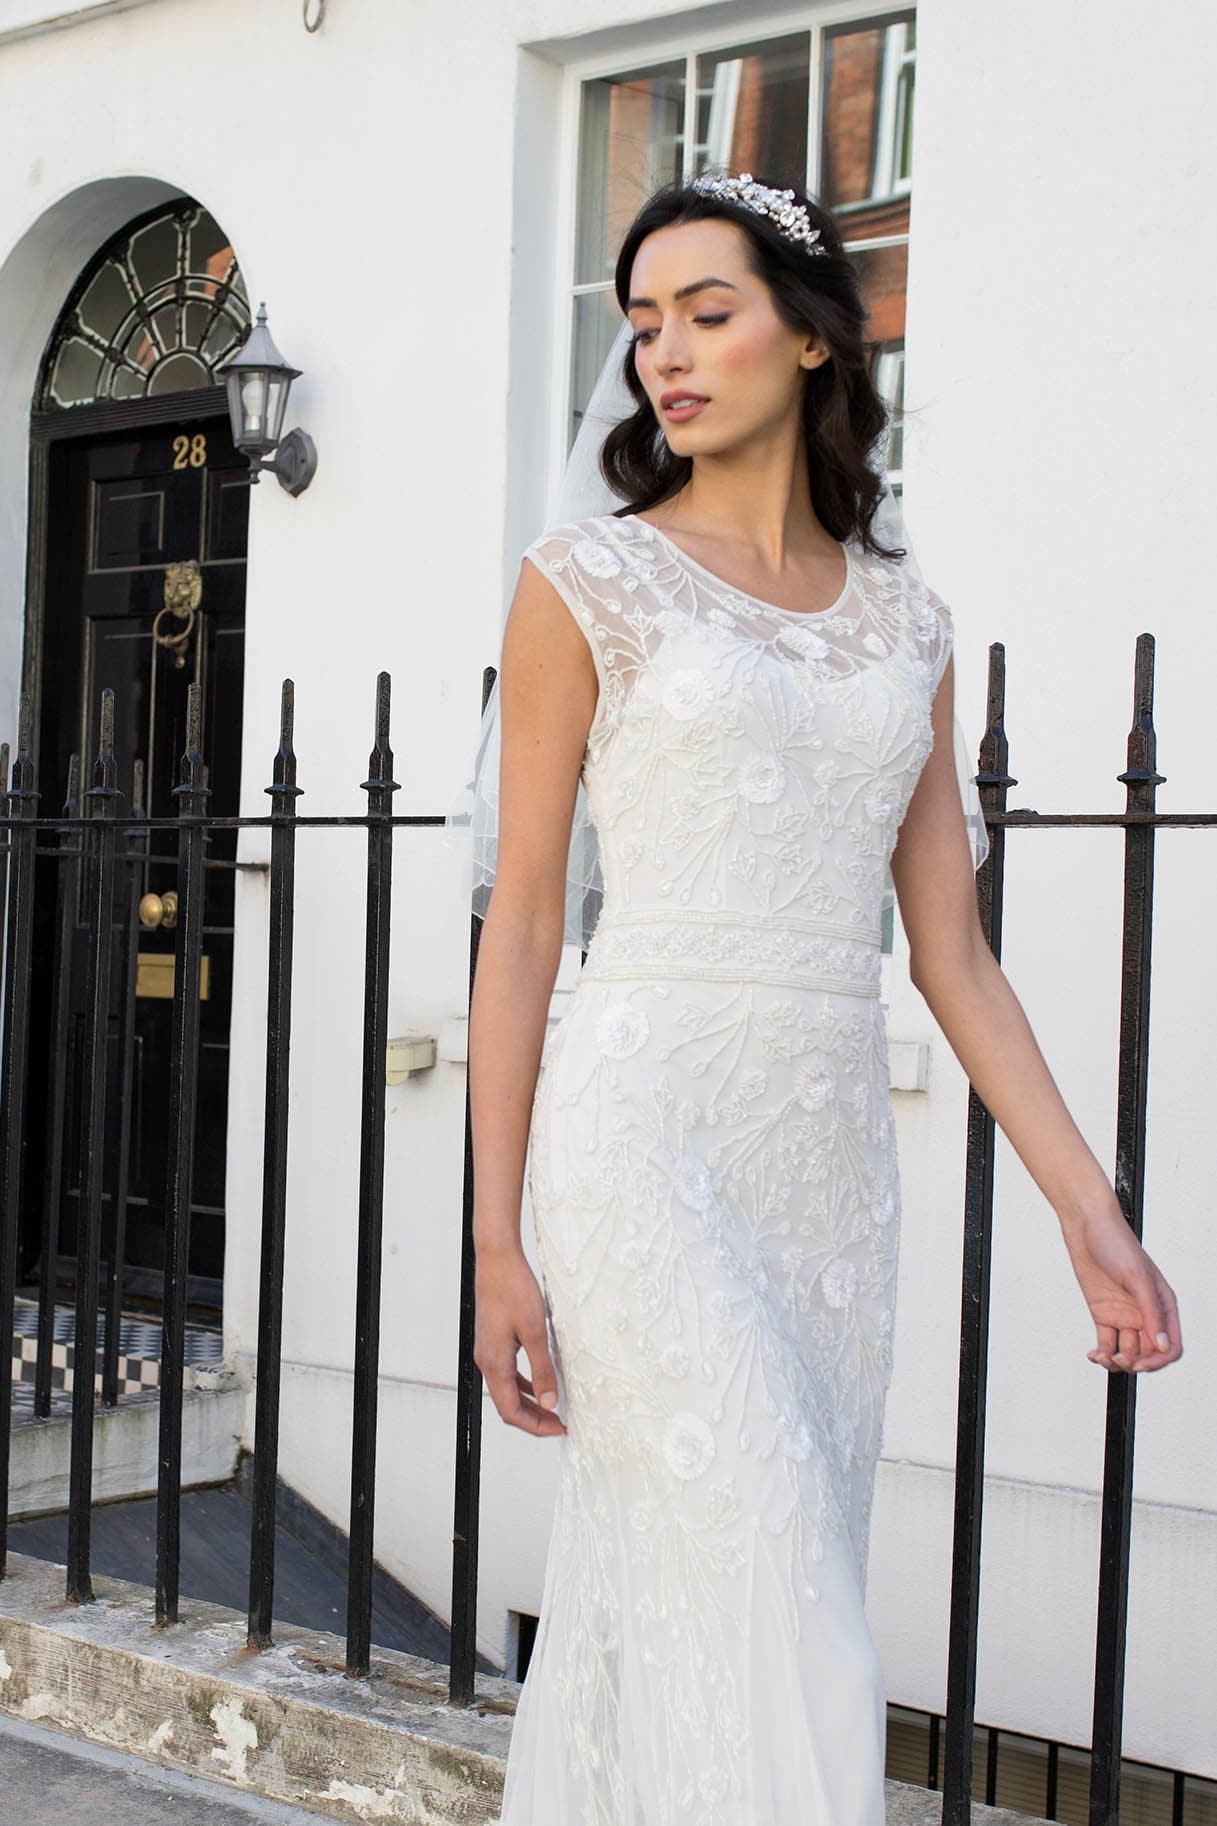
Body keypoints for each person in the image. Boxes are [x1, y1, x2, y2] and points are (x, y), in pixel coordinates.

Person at [464, 171, 1183, 1824]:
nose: (664, 354)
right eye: (641, 326)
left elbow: (954, 955)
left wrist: (1089, 1207)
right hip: (637, 1125)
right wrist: (499, 1236)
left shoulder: (905, 623)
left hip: (824, 1168)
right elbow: (519, 927)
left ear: (805, 336)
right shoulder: (586, 580)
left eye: (704, 313)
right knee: (770, 1569)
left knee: (735, 1606)